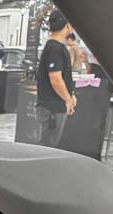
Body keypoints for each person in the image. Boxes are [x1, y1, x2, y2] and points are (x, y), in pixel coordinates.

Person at [36, 9, 76, 147]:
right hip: (51, 108)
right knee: (47, 146)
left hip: (55, 106)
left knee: (50, 144)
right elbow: (55, 79)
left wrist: (70, 95)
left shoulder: (57, 47)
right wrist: (68, 99)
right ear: (68, 26)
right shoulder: (55, 48)